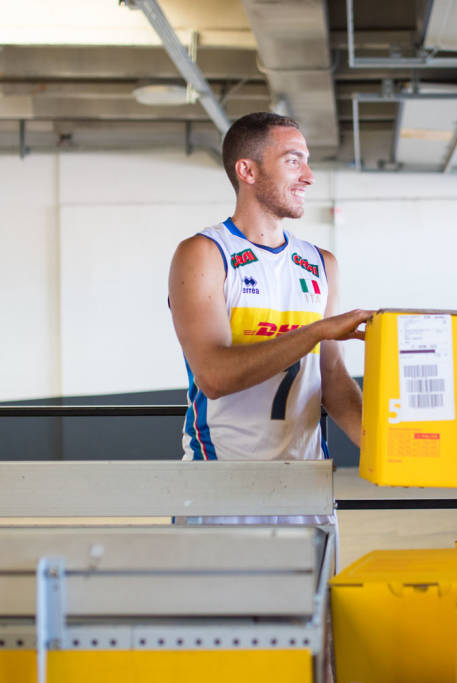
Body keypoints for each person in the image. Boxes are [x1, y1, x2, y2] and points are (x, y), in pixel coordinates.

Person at [168, 112, 371, 523]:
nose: (309, 176)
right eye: (293, 160)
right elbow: (214, 377)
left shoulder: (320, 263)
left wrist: (388, 450)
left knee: (316, 591)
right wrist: (315, 332)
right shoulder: (204, 253)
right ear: (248, 170)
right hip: (221, 489)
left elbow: (332, 378)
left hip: (307, 489)